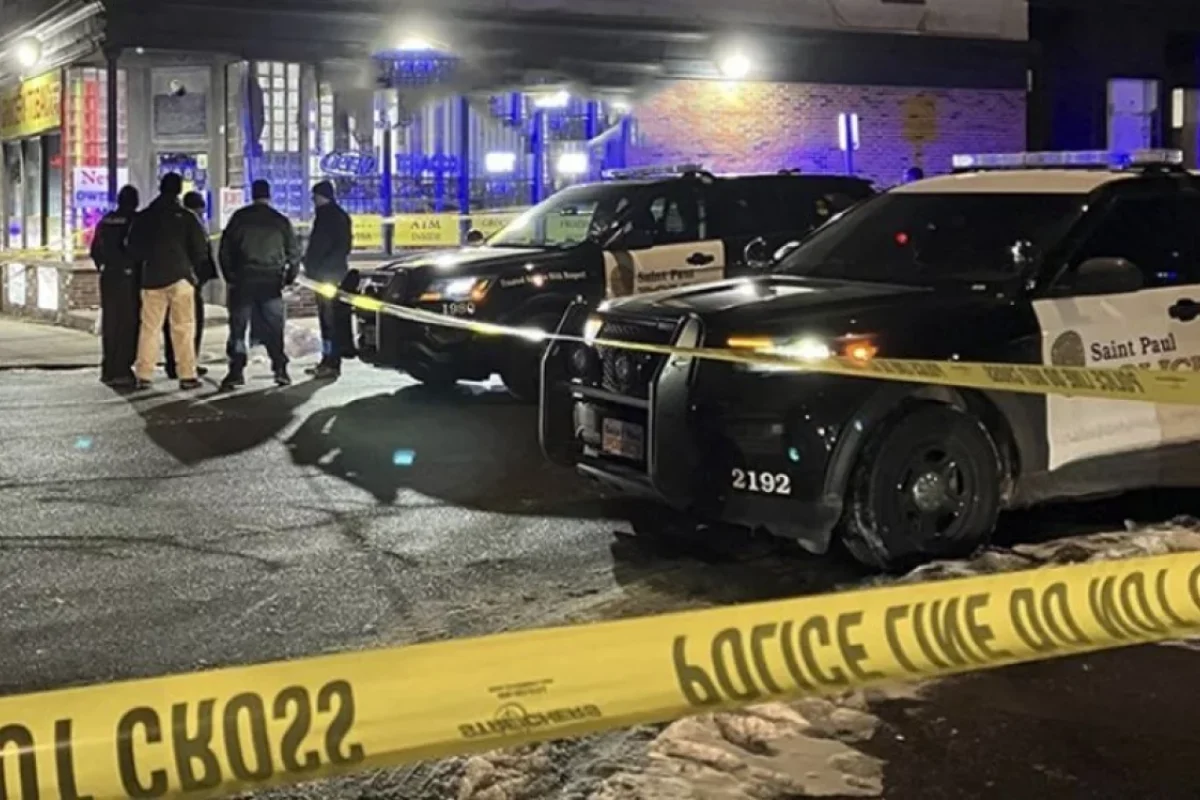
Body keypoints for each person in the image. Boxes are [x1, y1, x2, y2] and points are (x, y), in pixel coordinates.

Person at [128, 172, 209, 390]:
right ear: (179, 190)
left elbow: (133, 248)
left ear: (160, 188)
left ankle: (144, 374)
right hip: (181, 278)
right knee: (183, 327)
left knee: (150, 328)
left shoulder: (145, 217)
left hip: (152, 278)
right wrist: (192, 271)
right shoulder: (187, 217)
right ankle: (187, 374)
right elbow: (200, 250)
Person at [218, 179, 300, 389]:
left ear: (252, 195)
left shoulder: (239, 218)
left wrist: (230, 277)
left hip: (243, 280)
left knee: (238, 328)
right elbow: (294, 253)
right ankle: (280, 369)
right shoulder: (280, 220)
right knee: (274, 328)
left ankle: (236, 371)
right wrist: (288, 278)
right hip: (271, 281)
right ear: (269, 195)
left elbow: (225, 251)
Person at [90, 185, 141, 388]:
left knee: (111, 322)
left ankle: (108, 367)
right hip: (129, 279)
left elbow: (95, 250)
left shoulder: (105, 221)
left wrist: (103, 266)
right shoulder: (135, 221)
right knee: (128, 323)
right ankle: (122, 368)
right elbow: (139, 249)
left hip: (109, 277)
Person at [163, 191, 217, 379]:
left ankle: (174, 363)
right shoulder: (192, 223)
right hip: (189, 281)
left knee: (174, 324)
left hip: (174, 280)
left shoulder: (173, 223)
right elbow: (201, 254)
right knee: (190, 324)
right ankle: (187, 364)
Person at [303, 180, 354, 380]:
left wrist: (313, 267)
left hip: (326, 277)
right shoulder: (338, 215)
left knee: (329, 322)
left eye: (315, 196)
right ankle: (328, 359)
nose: (313, 200)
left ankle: (331, 361)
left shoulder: (327, 217)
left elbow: (322, 247)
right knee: (328, 321)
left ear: (322, 196)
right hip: (332, 274)